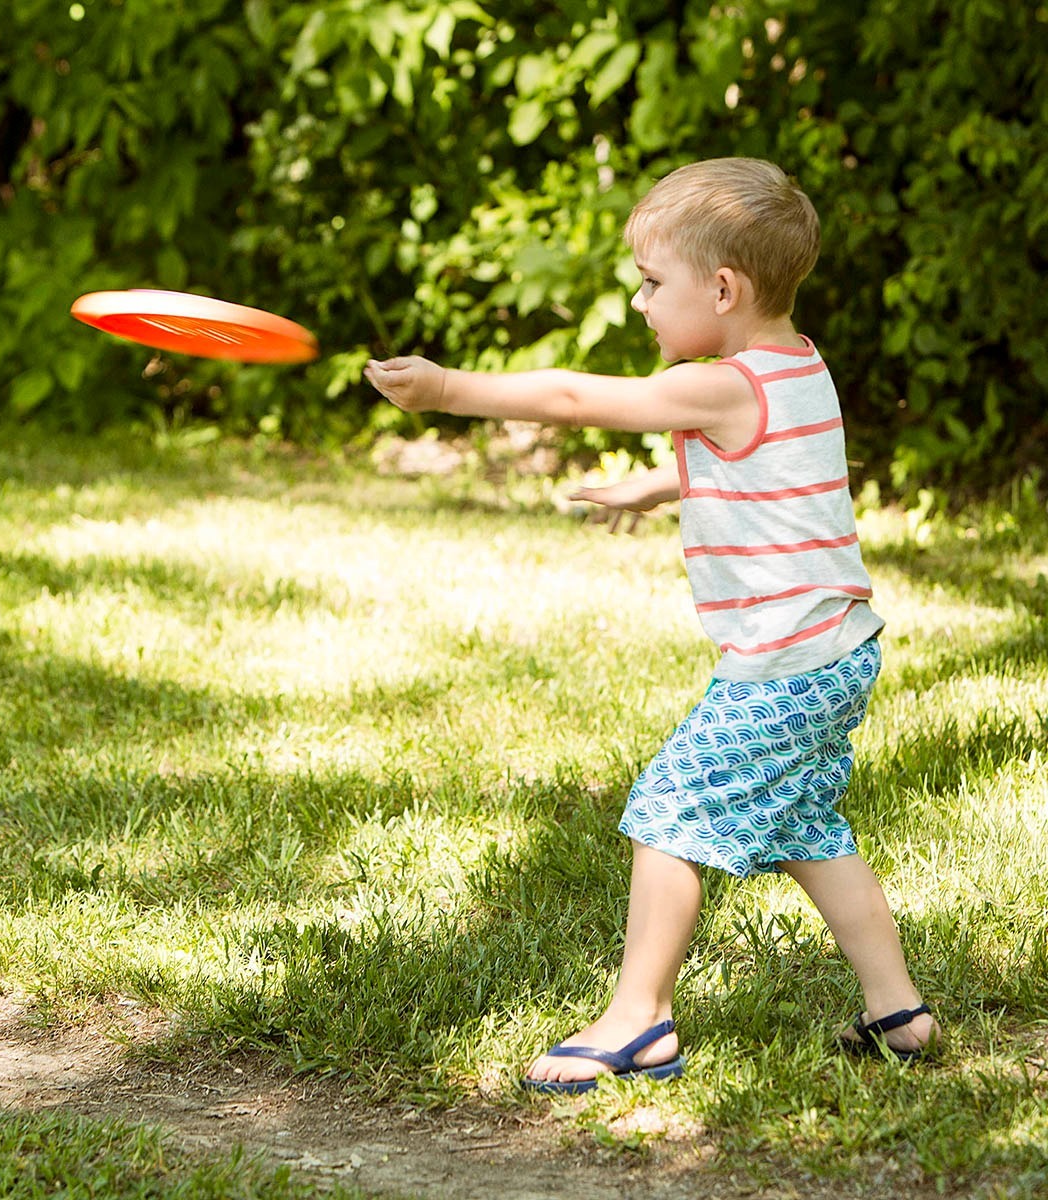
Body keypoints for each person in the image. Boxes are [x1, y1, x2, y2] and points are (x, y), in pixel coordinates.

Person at [363, 157, 939, 1093]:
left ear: (722, 288)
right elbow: (771, 470)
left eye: (650, 283)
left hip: (783, 663)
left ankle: (639, 1019)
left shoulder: (720, 385)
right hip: (838, 649)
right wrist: (665, 480)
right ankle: (897, 1011)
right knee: (805, 826)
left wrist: (445, 392)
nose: (639, 304)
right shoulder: (800, 365)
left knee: (668, 810)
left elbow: (571, 398)